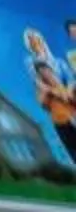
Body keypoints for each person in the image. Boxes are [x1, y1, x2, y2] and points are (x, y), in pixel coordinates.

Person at [32, 29, 76, 171]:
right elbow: (42, 104)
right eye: (42, 73)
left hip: (72, 118)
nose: (46, 74)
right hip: (60, 123)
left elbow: (69, 97)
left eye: (47, 71)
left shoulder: (65, 85)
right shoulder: (42, 90)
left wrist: (53, 91)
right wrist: (45, 91)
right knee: (73, 152)